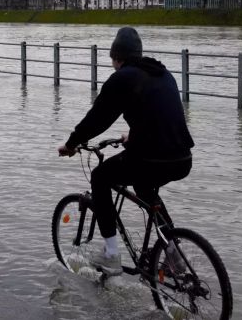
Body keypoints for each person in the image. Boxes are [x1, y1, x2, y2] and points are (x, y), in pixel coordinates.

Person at [58, 27, 194, 275]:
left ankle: (111, 254)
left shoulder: (122, 78)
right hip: (183, 157)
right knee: (144, 188)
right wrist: (134, 135)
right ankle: (173, 252)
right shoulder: (163, 74)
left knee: (100, 177)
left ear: (116, 57)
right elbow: (161, 115)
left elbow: (97, 119)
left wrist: (71, 144)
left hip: (153, 157)